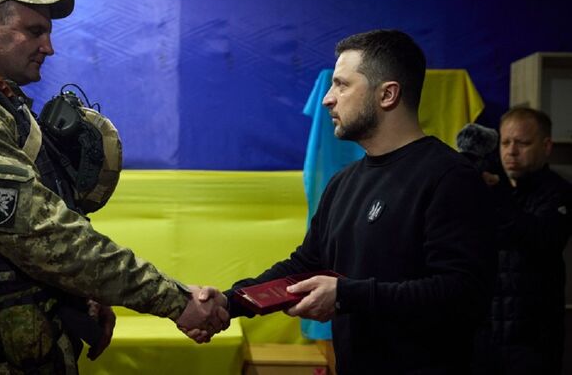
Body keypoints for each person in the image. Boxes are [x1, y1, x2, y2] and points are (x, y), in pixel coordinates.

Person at [0, 0, 227, 374]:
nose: (48, 47)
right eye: (34, 31)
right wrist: (174, 300)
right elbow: (42, 233)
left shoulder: (2, 109)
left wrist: (82, 293)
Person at [199, 29, 496, 373]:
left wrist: (346, 294)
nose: (328, 99)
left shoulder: (450, 177)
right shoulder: (343, 182)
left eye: (341, 85)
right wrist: (229, 302)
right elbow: (305, 265)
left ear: (387, 94)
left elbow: (462, 292)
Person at [472, 107, 572, 375]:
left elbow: (541, 238)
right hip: (487, 335)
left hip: (534, 341)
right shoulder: (492, 189)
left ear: (546, 146)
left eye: (522, 143)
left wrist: (498, 194)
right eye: (505, 143)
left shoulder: (559, 192)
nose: (511, 151)